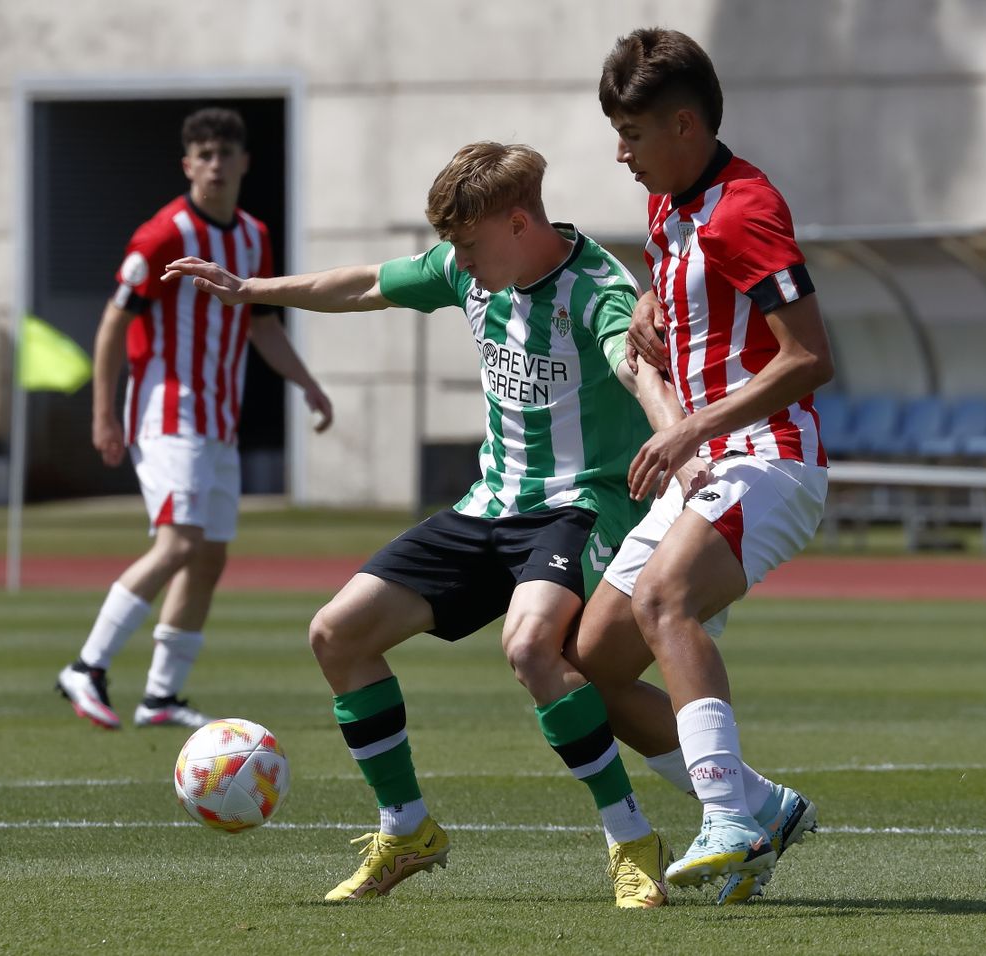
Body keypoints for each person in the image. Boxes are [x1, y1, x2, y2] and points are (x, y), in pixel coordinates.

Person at [167, 141, 750, 908]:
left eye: (468, 245)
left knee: (533, 645)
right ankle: (407, 827)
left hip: (581, 505)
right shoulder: (465, 270)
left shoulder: (596, 287)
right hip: (489, 506)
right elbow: (368, 284)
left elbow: (639, 369)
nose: (456, 261)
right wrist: (249, 289)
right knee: (337, 633)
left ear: (517, 224)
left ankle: (631, 840)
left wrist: (679, 449)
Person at [566, 27, 836, 904]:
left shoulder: (745, 208)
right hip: (709, 464)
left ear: (685, 126)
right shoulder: (674, 200)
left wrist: (688, 431)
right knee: (593, 669)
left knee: (663, 600)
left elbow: (807, 357)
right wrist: (649, 301)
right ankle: (761, 806)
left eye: (633, 134)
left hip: (769, 458)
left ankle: (726, 820)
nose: (621, 153)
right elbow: (687, 276)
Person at [54, 107, 333, 731]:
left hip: (218, 420)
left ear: (242, 163)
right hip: (167, 412)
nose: (214, 164)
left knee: (207, 556)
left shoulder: (252, 235)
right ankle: (87, 665)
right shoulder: (163, 235)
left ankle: (160, 695)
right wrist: (104, 413)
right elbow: (111, 325)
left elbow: (263, 325)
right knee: (177, 543)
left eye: (223, 154)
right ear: (187, 165)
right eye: (202, 155)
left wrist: (307, 384)